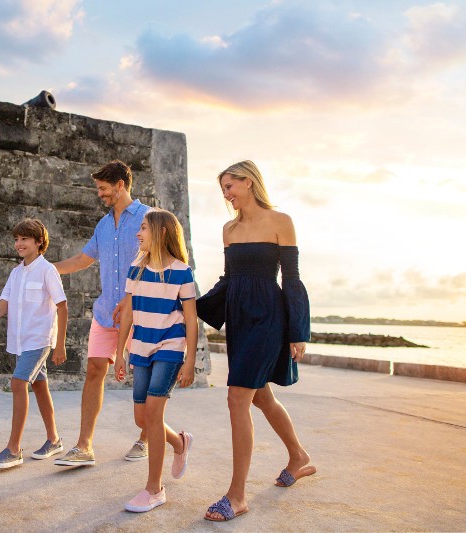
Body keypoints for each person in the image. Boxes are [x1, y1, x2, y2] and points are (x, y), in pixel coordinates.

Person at [197, 161, 315, 521]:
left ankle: (236, 496)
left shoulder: (281, 222)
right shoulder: (228, 229)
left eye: (230, 186)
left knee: (237, 397)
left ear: (249, 182)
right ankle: (299, 457)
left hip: (269, 316)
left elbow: (291, 279)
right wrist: (192, 306)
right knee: (260, 396)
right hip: (240, 318)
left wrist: (298, 330)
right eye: (223, 190)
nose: (227, 195)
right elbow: (228, 279)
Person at [53, 160, 151, 467]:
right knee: (95, 369)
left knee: (143, 376)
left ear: (120, 185)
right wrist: (46, 269)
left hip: (142, 313)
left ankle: (147, 438)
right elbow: (83, 259)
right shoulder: (104, 225)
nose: (100, 194)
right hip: (106, 312)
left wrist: (132, 297)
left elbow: (161, 260)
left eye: (103, 188)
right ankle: (84, 446)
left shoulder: (150, 218)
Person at [114, 208, 197, 513]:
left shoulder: (182, 272)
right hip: (140, 347)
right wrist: (120, 351)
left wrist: (189, 360)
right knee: (143, 419)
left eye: (144, 228)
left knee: (153, 413)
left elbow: (191, 320)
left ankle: (154, 489)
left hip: (170, 348)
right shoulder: (136, 268)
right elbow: (128, 313)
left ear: (162, 232)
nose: (138, 233)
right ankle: (179, 442)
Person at [0, 218, 68, 469]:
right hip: (20, 341)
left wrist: (60, 345)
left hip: (39, 339)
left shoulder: (48, 270)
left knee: (18, 383)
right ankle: (54, 440)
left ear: (39, 242)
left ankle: (14, 449)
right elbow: (4, 304)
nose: (19, 243)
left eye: (24, 239)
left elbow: (62, 306)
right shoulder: (15, 273)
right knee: (39, 386)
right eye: (16, 239)